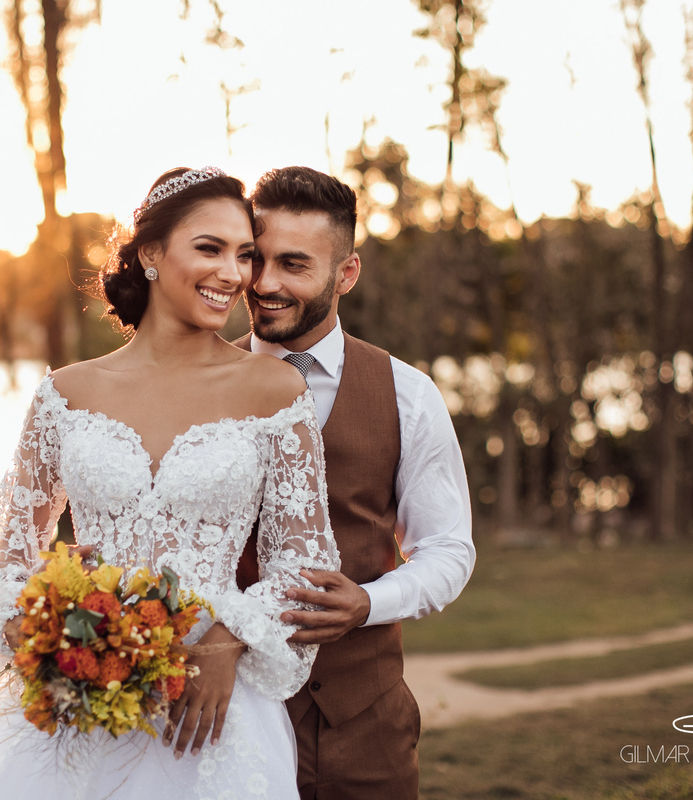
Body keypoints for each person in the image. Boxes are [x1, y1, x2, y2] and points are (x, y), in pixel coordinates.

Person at [0, 166, 341, 800]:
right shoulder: (65, 394)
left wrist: (229, 640)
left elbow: (303, 564)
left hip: (207, 716)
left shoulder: (276, 392)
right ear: (150, 252)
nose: (233, 273)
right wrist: (41, 627)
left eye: (244, 255)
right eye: (210, 248)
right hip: (74, 703)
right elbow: (10, 555)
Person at [233, 166, 475, 799]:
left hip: (363, 731)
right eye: (255, 260)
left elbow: (448, 549)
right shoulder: (199, 386)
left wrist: (371, 602)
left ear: (347, 273)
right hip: (225, 727)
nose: (265, 284)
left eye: (294, 264)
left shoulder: (408, 395)